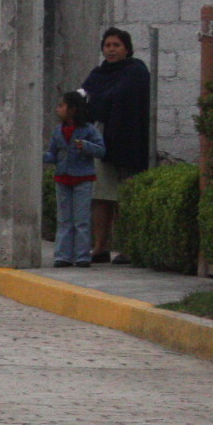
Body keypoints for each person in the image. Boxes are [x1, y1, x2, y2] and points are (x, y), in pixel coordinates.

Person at [77, 26, 151, 264]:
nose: (111, 50)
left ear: (127, 49)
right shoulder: (97, 74)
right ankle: (100, 247)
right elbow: (82, 100)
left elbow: (121, 98)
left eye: (116, 45)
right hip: (101, 143)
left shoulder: (136, 71)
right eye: (107, 45)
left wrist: (99, 102)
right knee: (101, 196)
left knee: (125, 197)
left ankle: (129, 247)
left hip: (130, 142)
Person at [45, 91, 107, 268]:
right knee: (64, 219)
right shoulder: (58, 131)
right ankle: (63, 256)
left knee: (81, 219)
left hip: (83, 178)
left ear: (72, 109)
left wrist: (85, 146)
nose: (58, 109)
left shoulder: (88, 130)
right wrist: (40, 156)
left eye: (61, 105)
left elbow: (101, 150)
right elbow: (53, 154)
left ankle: (82, 256)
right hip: (62, 178)